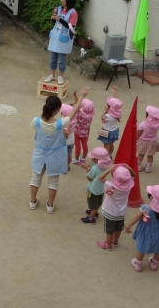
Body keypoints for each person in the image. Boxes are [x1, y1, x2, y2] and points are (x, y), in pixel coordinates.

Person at [30, 86, 91, 214]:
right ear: (58, 110)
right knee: (53, 181)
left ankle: (33, 202)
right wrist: (81, 96)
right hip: (54, 157)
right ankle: (50, 205)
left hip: (39, 155)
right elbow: (74, 112)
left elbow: (42, 129)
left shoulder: (36, 121)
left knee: (36, 178)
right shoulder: (60, 124)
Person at [97, 165, 136, 251]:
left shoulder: (109, 186)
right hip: (121, 213)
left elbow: (100, 177)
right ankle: (115, 241)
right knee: (119, 228)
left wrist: (110, 169)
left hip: (110, 212)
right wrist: (128, 167)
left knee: (109, 230)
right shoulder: (128, 188)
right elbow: (134, 175)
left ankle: (107, 244)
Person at [44, 0, 78, 85]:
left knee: (61, 59)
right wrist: (53, 17)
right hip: (55, 36)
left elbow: (71, 27)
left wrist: (59, 19)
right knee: (52, 58)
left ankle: (60, 76)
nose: (61, 0)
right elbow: (54, 24)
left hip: (64, 38)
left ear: (68, 0)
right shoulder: (58, 9)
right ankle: (52, 75)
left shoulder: (73, 13)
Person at [124, 185, 159, 272]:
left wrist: (128, 226)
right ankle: (154, 264)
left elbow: (136, 218)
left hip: (145, 232)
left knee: (142, 247)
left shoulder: (145, 209)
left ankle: (138, 264)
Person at [79, 147, 113, 225]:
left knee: (92, 203)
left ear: (96, 160)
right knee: (98, 202)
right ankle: (94, 212)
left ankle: (91, 217)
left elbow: (89, 178)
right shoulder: (105, 166)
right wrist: (90, 167)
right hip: (101, 188)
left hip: (93, 189)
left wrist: (87, 168)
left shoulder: (94, 168)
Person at [98, 86, 122, 155]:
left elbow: (102, 118)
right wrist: (115, 93)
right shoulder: (118, 113)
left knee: (106, 145)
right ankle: (110, 155)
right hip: (114, 131)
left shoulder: (107, 116)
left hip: (106, 131)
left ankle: (106, 157)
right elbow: (117, 103)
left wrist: (105, 112)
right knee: (111, 144)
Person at [137, 106, 159, 173]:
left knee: (141, 154)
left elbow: (138, 134)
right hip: (153, 142)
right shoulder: (157, 124)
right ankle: (148, 168)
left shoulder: (142, 124)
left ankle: (138, 166)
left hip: (142, 142)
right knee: (150, 155)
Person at [73, 98, 95, 165]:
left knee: (78, 147)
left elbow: (76, 107)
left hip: (77, 133)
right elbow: (89, 126)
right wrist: (88, 134)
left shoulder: (79, 114)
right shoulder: (90, 117)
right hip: (85, 133)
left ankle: (76, 160)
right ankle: (82, 159)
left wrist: (76, 97)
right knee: (85, 146)